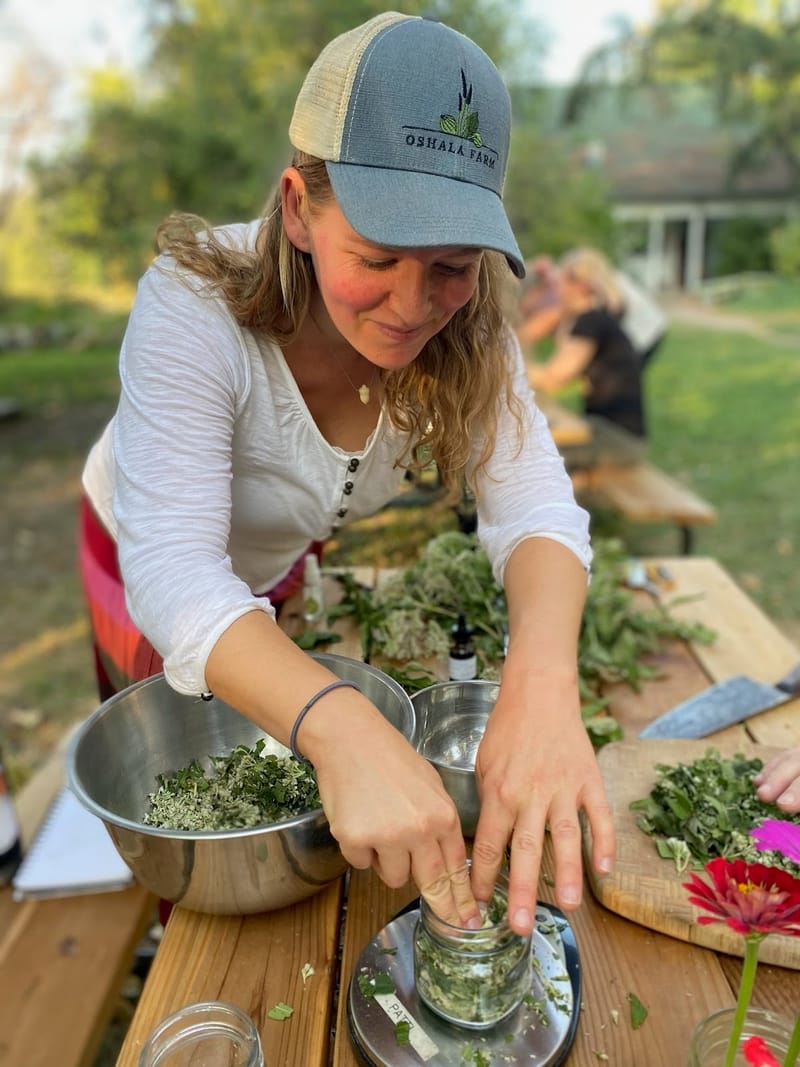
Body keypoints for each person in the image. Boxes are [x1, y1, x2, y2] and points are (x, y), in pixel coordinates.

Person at [79, 11, 615, 935]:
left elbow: (536, 506)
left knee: (282, 751)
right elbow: (174, 573)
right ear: (298, 208)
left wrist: (542, 687)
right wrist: (341, 724)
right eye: (375, 257)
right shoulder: (193, 304)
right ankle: (170, 937)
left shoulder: (472, 324)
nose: (412, 307)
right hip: (144, 553)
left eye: (451, 265)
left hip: (280, 552)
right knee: (193, 788)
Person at [523, 247, 646, 466]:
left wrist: (506, 370)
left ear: (579, 286)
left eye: (560, 282)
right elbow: (530, 333)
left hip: (616, 441)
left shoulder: (591, 322)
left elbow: (552, 379)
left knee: (531, 458)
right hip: (607, 432)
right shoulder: (597, 318)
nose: (557, 291)